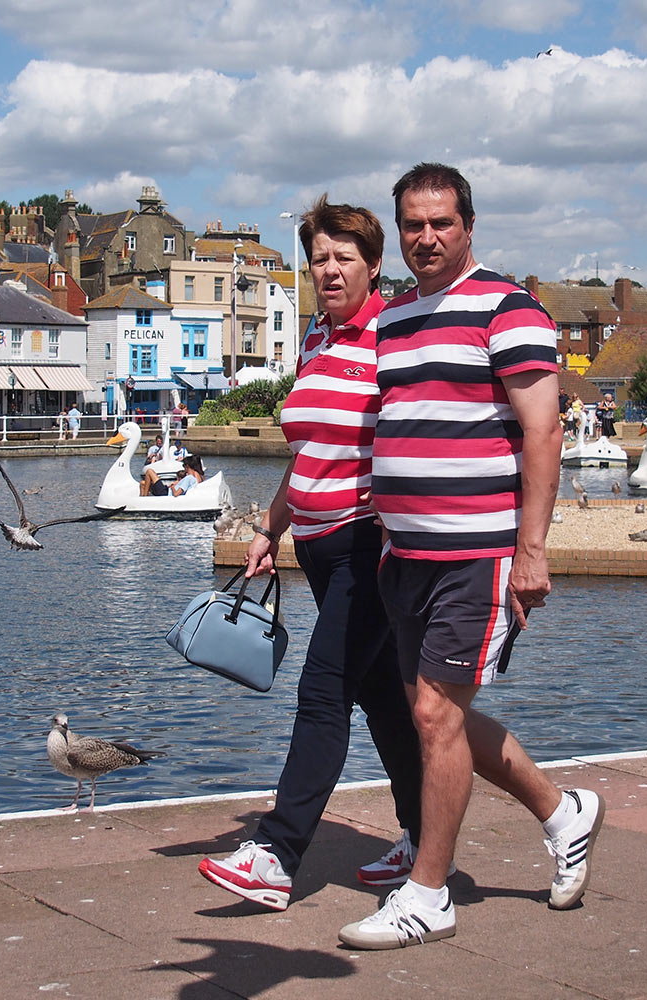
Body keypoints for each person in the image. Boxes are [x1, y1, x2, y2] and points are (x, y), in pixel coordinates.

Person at [338, 163, 603, 951]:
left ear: (469, 225)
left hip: (478, 554)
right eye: (413, 225)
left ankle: (429, 895)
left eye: (441, 223)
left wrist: (531, 553)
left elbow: (542, 431)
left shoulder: (508, 308)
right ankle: (564, 813)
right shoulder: (393, 318)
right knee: (437, 716)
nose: (426, 237)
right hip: (405, 556)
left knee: (434, 716)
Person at [199, 196, 425, 913]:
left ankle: (276, 853)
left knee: (323, 691)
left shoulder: (392, 335)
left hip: (370, 547)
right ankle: (425, 839)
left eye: (343, 258)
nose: (328, 270)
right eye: (319, 259)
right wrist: (270, 529)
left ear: (374, 264)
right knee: (380, 695)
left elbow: (418, 434)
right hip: (317, 546)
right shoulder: (315, 340)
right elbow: (307, 456)